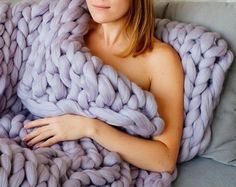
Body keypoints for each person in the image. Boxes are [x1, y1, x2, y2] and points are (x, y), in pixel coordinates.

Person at [23, 0, 184, 174]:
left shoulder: (159, 59)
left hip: (90, 167)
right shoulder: (68, 29)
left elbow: (165, 159)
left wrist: (88, 127)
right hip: (31, 136)